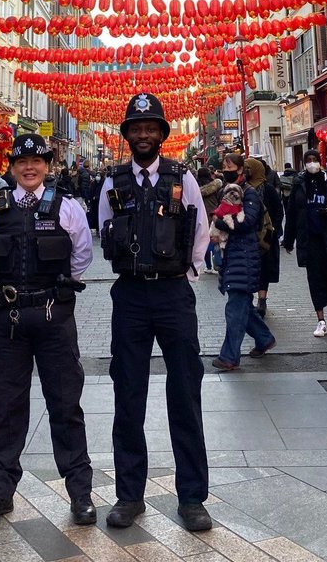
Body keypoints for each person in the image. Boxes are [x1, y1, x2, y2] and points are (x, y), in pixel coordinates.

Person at [98, 92, 212, 533]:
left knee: (185, 393)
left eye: (151, 128)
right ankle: (129, 495)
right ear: (126, 134)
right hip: (129, 296)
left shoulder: (182, 177)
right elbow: (103, 225)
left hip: (172, 296)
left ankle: (192, 498)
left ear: (162, 134)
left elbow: (199, 228)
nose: (143, 134)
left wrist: (190, 274)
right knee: (129, 395)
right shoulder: (113, 181)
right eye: (136, 128)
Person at [0, 133, 95, 529]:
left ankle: (80, 493)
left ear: (47, 167)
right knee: (6, 408)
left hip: (53, 317)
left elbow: (82, 256)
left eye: (37, 162)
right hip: (6, 322)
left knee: (65, 406)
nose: (30, 168)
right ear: (11, 167)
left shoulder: (67, 208)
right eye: (22, 162)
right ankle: (0, 493)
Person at [282, 151, 327, 338]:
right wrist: (289, 240)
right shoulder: (299, 184)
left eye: (315, 160)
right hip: (309, 239)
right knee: (314, 279)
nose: (311, 164)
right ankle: (320, 321)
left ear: (320, 163)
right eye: (308, 161)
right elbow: (291, 214)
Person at [212, 179, 275, 371]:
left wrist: (220, 223)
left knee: (235, 309)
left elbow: (246, 223)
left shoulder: (250, 194)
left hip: (245, 257)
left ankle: (229, 356)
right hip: (232, 257)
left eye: (230, 164)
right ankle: (264, 338)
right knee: (242, 307)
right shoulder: (224, 191)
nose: (226, 168)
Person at [244, 157, 283, 318]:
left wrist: (272, 229)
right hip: (247, 237)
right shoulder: (241, 189)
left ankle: (262, 299)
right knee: (251, 269)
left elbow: (278, 211)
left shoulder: (267, 189)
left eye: (248, 168)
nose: (246, 171)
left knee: (264, 269)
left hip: (266, 237)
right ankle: (252, 299)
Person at [197, 166, 223, 274]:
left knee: (205, 241)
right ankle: (217, 263)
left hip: (202, 216)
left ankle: (208, 266)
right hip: (215, 215)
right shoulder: (217, 187)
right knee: (216, 240)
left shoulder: (197, 188)